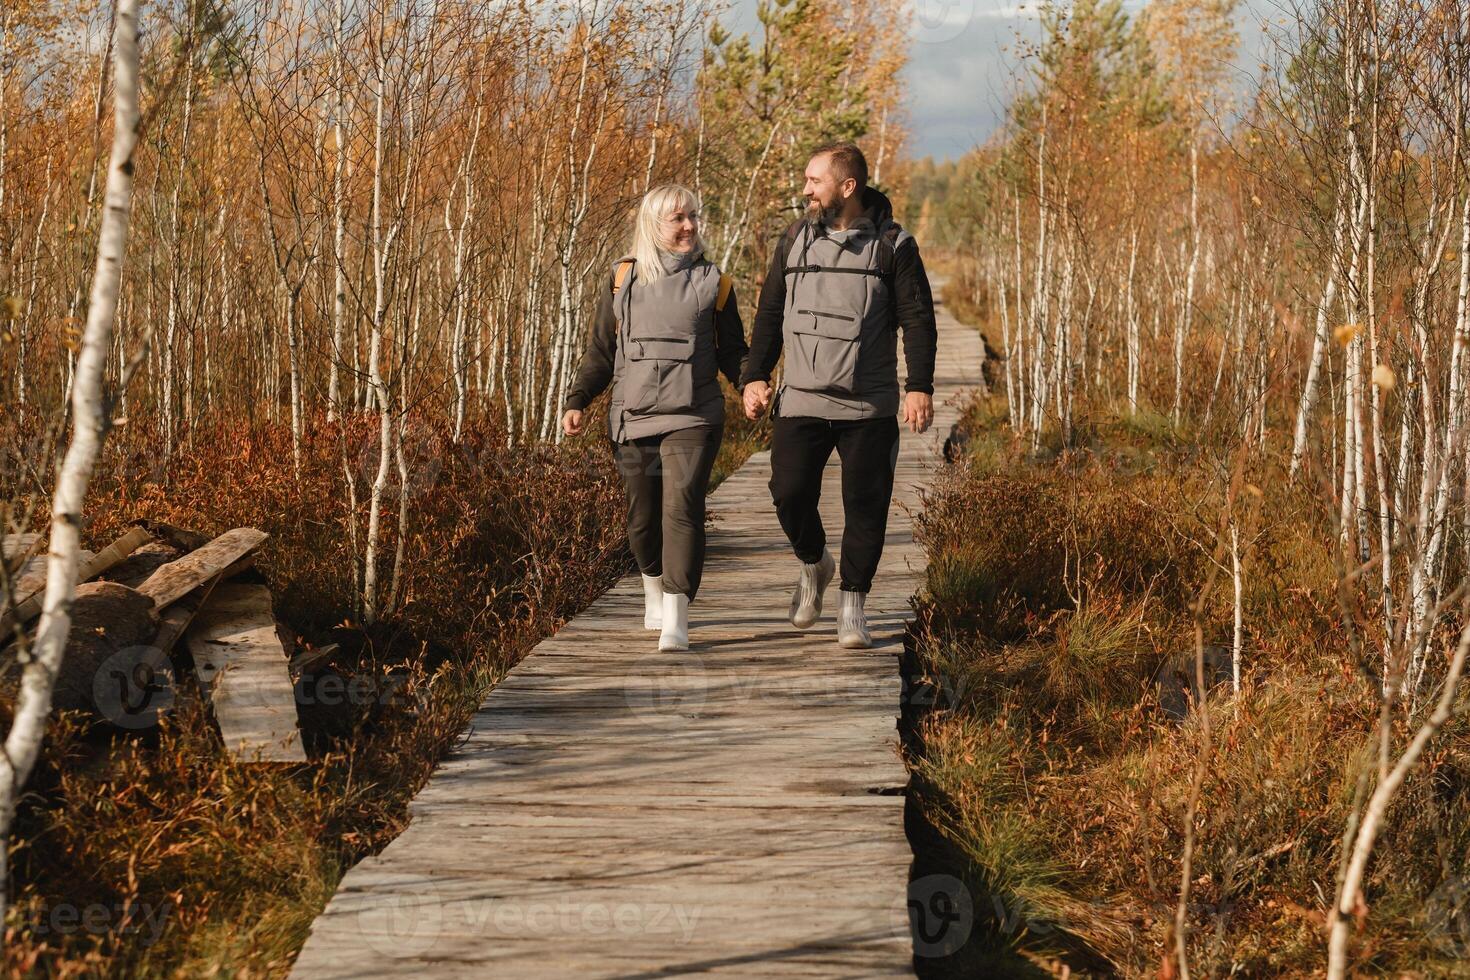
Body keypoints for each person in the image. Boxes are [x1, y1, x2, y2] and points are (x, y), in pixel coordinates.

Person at [739, 141, 937, 649]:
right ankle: (814, 563)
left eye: (813, 181)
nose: (805, 190)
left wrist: (918, 387)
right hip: (801, 397)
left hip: (867, 402)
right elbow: (768, 313)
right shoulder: (793, 239)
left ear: (847, 187)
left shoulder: (895, 245)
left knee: (865, 504)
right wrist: (755, 375)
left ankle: (853, 604)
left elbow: (918, 321)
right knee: (787, 492)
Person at [562, 184, 748, 652]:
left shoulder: (715, 283)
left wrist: (752, 383)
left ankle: (678, 616)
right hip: (632, 416)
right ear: (653, 224)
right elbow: (602, 352)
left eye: (693, 216)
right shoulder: (622, 279)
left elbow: (734, 353)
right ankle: (652, 589)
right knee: (643, 520)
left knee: (681, 509)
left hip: (694, 416)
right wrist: (578, 400)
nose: (689, 226)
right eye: (677, 218)